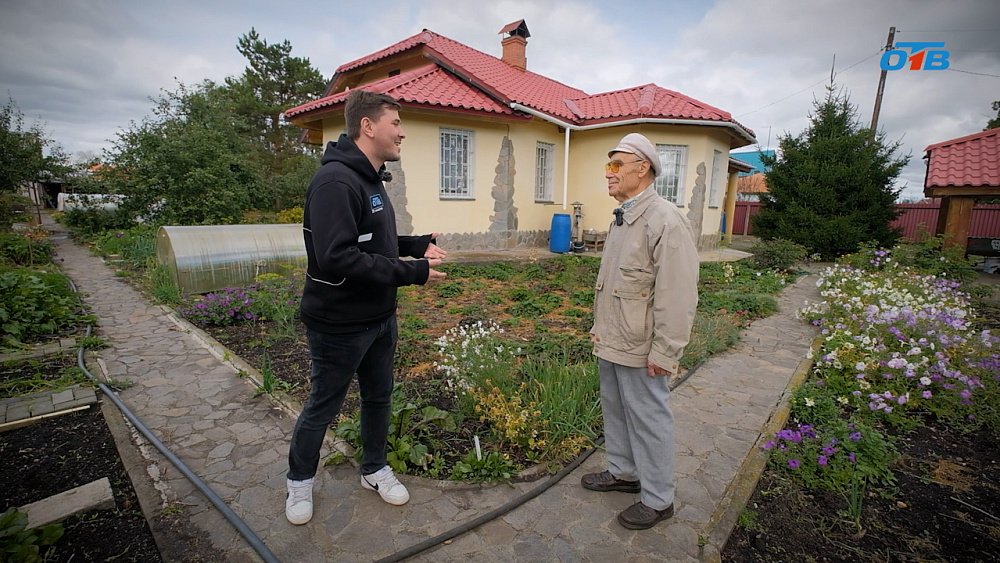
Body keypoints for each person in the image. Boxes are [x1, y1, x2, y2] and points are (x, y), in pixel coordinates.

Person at [285, 90, 447, 525]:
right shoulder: (336, 182)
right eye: (395, 123)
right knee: (324, 403)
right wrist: (411, 272)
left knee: (378, 397)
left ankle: (373, 468)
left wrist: (416, 245)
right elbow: (337, 256)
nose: (402, 132)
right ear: (368, 126)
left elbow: (372, 242)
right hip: (339, 323)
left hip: (378, 319)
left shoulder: (370, 178)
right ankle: (299, 480)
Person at [581, 133, 700, 530]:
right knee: (615, 409)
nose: (609, 174)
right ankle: (624, 473)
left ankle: (658, 498)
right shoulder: (624, 217)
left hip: (642, 346)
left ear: (643, 168)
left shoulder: (665, 220)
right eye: (608, 166)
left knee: (649, 418)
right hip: (614, 340)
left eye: (616, 165)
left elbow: (678, 293)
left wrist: (666, 352)